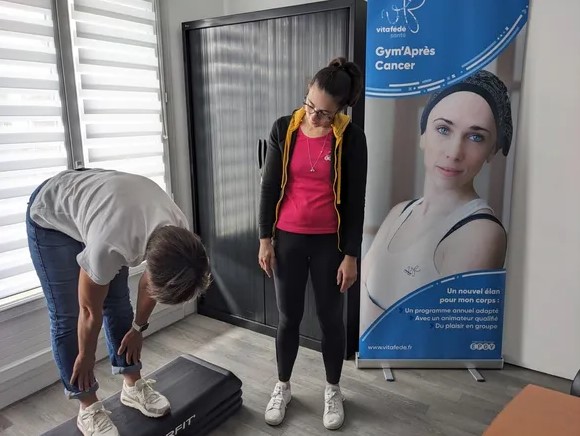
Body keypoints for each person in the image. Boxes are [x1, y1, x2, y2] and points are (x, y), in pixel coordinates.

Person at [26, 168, 211, 436]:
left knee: (118, 303)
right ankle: (88, 406)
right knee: (67, 316)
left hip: (109, 209)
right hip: (51, 216)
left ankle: (132, 385)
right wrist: (86, 356)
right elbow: (89, 311)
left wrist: (138, 328)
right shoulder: (111, 243)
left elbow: (149, 285)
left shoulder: (180, 234)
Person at [258, 57, 368, 430]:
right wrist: (265, 238)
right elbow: (269, 186)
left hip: (328, 244)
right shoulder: (283, 128)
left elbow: (355, 201)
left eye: (324, 113)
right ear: (307, 91)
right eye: (310, 106)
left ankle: (333, 390)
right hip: (287, 239)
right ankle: (283, 386)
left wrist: (351, 255)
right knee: (288, 318)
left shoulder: (351, 138)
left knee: (330, 320)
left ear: (340, 110)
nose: (314, 117)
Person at [360, 69, 512, 334]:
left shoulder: (482, 233)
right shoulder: (399, 212)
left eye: (476, 137)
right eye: (443, 129)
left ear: (492, 152)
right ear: (423, 135)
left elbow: (441, 337)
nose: (454, 152)